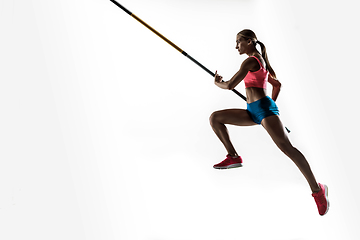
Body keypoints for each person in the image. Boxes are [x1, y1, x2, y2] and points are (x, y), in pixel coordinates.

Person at [209, 29, 329, 216]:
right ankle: (233, 156)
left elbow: (230, 85)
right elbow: (277, 84)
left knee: (288, 149)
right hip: (254, 111)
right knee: (215, 118)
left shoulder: (251, 61)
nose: (236, 46)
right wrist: (271, 105)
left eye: (239, 41)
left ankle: (318, 191)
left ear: (249, 41)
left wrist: (218, 82)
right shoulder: (259, 61)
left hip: (263, 110)